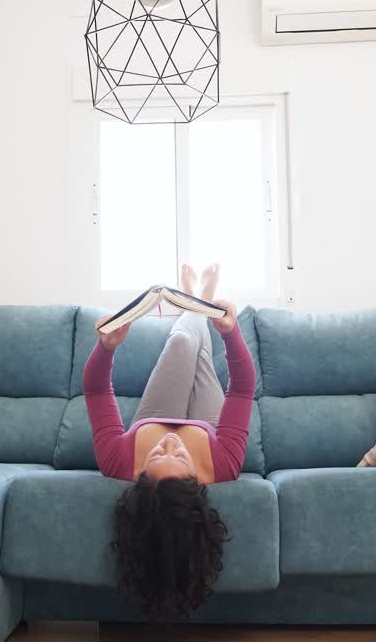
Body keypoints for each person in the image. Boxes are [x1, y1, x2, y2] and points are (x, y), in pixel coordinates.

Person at [84, 263, 256, 620]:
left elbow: (96, 388)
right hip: (207, 427)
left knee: (181, 342)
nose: (170, 445)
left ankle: (195, 298)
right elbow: (242, 387)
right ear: (198, 482)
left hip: (155, 413)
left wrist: (106, 348)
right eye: (178, 457)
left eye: (156, 455)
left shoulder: (117, 461)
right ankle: (198, 300)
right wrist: (231, 331)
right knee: (203, 354)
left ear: (140, 480)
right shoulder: (223, 464)